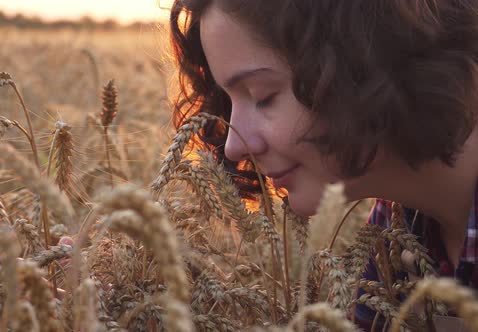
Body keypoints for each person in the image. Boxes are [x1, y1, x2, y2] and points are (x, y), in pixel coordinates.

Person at [168, 0, 478, 330]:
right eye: (229, 102)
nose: (233, 145)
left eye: (262, 96)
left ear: (366, 57)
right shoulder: (395, 235)